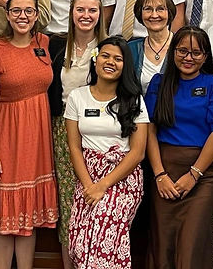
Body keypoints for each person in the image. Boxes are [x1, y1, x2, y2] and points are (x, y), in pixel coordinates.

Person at [0, 0, 58, 269]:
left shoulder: (45, 43)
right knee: (5, 219)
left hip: (37, 140)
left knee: (27, 218)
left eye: (28, 11)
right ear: (7, 15)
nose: (23, 16)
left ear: (37, 15)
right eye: (16, 11)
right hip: (5, 138)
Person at [144, 27, 213, 269]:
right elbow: (149, 130)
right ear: (173, 51)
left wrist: (194, 174)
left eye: (196, 52)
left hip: (203, 176)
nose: (188, 57)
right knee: (162, 246)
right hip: (164, 173)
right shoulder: (159, 83)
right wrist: (159, 175)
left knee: (191, 246)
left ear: (205, 56)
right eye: (182, 50)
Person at [65, 35, 149, 269]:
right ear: (96, 59)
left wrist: (102, 186)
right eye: (105, 56)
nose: (110, 62)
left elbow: (138, 153)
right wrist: (89, 185)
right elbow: (74, 147)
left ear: (125, 65)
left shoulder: (134, 101)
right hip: (87, 175)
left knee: (104, 233)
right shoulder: (77, 97)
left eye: (118, 59)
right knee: (80, 242)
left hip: (122, 178)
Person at [47, 0, 106, 269]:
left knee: (95, 200)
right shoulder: (56, 45)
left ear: (100, 14)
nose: (86, 15)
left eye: (92, 10)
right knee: (68, 202)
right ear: (71, 13)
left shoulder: (108, 47)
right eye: (80, 9)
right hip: (62, 130)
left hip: (98, 133)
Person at [128, 0, 177, 86]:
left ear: (169, 12)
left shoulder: (181, 46)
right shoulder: (131, 49)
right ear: (140, 13)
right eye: (148, 9)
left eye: (160, 9)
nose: (154, 15)